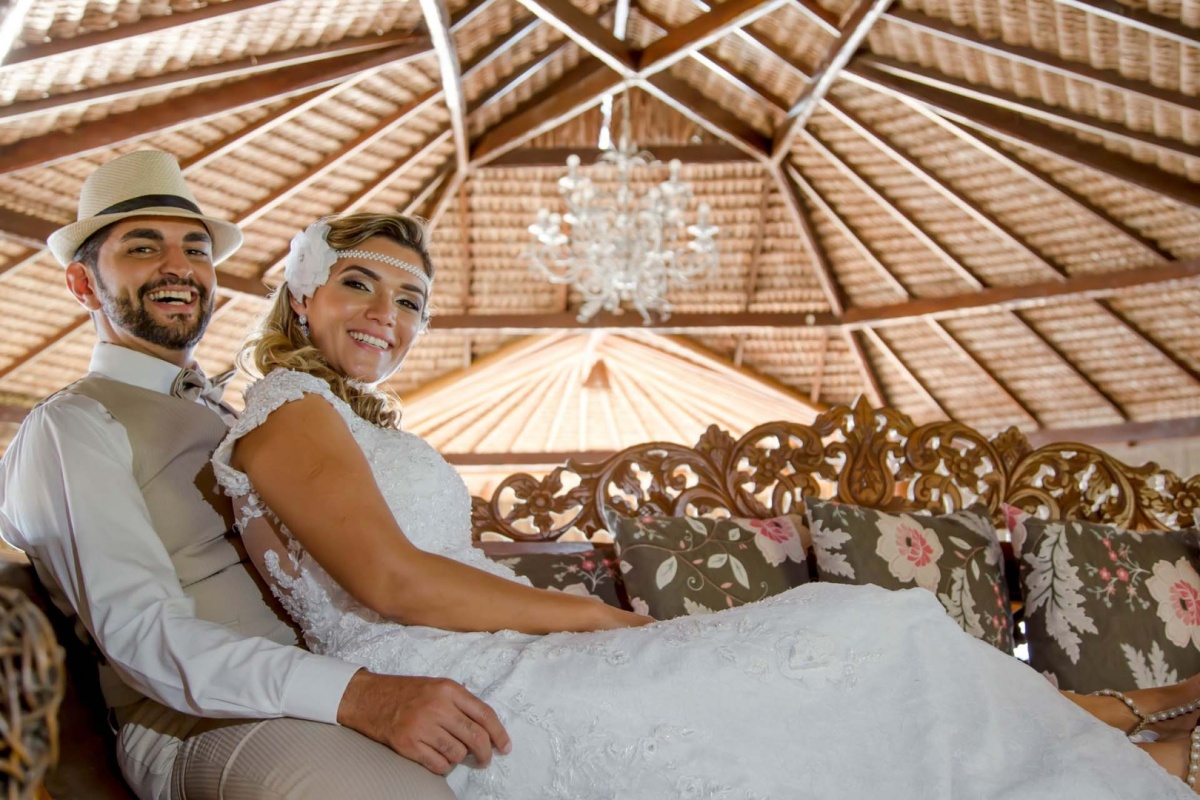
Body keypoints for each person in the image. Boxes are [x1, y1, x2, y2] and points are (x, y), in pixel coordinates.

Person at [213, 210, 1200, 798]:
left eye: (413, 298)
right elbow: (394, 579)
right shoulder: (286, 406)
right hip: (453, 670)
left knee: (871, 633)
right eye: (358, 282)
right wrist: (600, 618)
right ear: (302, 296)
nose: (389, 313)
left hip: (493, 644)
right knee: (863, 631)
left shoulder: (354, 423)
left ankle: (1084, 723)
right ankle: (1096, 721)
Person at [0, 151, 509, 800]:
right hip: (203, 721)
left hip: (335, 677)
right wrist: (355, 694)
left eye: (196, 249)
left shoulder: (235, 414)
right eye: (143, 247)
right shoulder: (71, 425)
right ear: (82, 284)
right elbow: (143, 635)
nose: (179, 265)